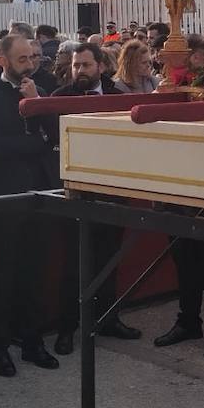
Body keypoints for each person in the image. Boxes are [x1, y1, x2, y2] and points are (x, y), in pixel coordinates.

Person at [0, 35, 59, 375]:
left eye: (32, 58)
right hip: (5, 194)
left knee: (34, 270)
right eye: (22, 59)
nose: (30, 64)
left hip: (39, 191)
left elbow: (55, 132)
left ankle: (33, 341)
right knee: (3, 273)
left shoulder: (38, 90)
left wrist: (37, 104)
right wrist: (37, 142)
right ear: (3, 61)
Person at [50, 44, 140, 354]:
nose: (80, 71)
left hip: (112, 191)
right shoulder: (59, 98)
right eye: (76, 66)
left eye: (86, 65)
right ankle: (67, 327)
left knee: (109, 259)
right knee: (75, 265)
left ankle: (108, 319)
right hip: (76, 193)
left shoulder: (119, 96)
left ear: (100, 66)